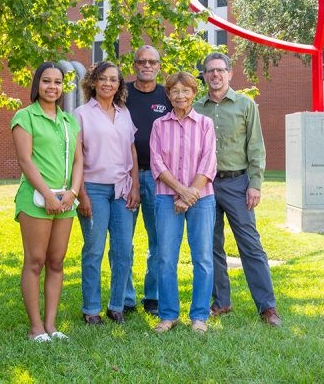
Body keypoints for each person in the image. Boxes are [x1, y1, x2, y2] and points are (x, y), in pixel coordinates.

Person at [193, 52, 282, 326]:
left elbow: (256, 146)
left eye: (220, 70)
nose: (215, 75)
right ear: (204, 76)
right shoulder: (196, 108)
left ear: (230, 74)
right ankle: (221, 302)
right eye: (210, 71)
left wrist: (255, 184)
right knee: (211, 245)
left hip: (237, 183)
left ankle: (267, 308)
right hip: (205, 184)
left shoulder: (246, 104)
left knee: (251, 245)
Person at [11, 62, 83, 342]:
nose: (52, 87)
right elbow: (25, 160)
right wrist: (48, 195)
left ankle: (51, 326)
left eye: (57, 82)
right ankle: (35, 328)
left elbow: (78, 160)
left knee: (56, 261)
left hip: (65, 200)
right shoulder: (25, 117)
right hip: (36, 199)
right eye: (46, 81)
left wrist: (72, 193)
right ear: (37, 84)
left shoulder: (70, 121)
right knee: (35, 261)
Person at [73, 60, 140, 325]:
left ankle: (116, 305)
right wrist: (82, 195)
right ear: (92, 82)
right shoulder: (80, 114)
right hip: (94, 189)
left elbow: (132, 150)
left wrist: (135, 184)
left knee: (123, 250)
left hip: (123, 190)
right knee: (94, 250)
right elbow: (76, 158)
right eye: (103, 78)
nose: (108, 84)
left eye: (114, 79)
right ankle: (91, 308)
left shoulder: (124, 112)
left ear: (119, 85)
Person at [149, 71, 217, 333]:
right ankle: (169, 315)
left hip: (202, 198)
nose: (180, 95)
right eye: (175, 91)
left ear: (193, 93)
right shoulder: (159, 125)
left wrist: (189, 194)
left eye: (186, 91)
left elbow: (209, 161)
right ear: (168, 94)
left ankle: (199, 316)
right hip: (167, 198)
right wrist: (180, 191)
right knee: (166, 257)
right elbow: (157, 161)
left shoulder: (205, 124)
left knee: (202, 257)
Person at [120, 45, 172, 317]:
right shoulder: (121, 93)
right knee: (122, 241)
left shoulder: (167, 95)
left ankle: (152, 296)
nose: (147, 66)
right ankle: (126, 297)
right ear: (135, 64)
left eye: (152, 62)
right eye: (142, 61)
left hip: (158, 177)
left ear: (159, 66)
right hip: (126, 176)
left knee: (159, 241)